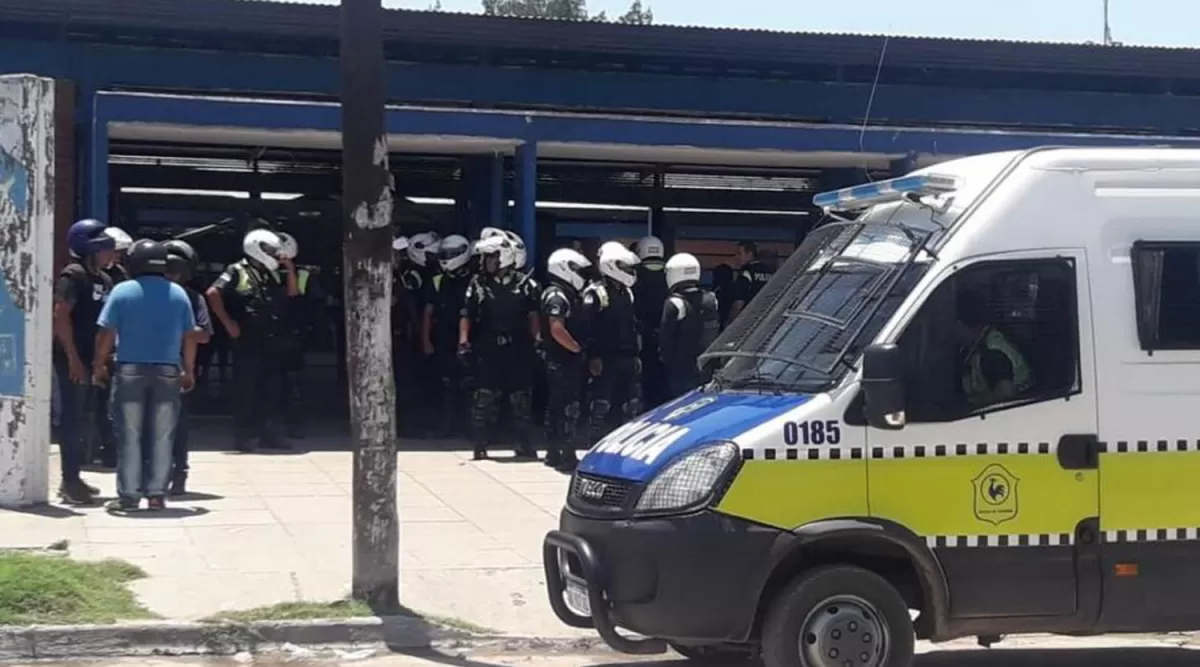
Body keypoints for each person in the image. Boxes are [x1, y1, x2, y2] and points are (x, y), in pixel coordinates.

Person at [93, 239, 196, 513]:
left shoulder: (122, 291)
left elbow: (107, 333)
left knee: (130, 434)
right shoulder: (178, 294)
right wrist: (189, 369)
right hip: (168, 371)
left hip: (130, 370)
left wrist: (98, 364)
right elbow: (190, 337)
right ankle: (156, 494)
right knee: (163, 435)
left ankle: (129, 496)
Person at [205, 228, 297, 452]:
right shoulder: (236, 270)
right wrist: (228, 323)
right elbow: (213, 293)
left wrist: (289, 268)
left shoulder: (271, 272)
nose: (275, 254)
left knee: (273, 389)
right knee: (247, 390)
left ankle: (271, 434)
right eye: (270, 250)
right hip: (247, 341)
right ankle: (245, 436)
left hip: (271, 339)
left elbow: (293, 293)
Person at [52, 219, 117, 504]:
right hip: (73, 358)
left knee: (85, 417)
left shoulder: (104, 279)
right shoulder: (73, 275)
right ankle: (69, 480)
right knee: (72, 419)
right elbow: (61, 315)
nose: (110, 255)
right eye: (105, 249)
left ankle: (75, 476)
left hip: (92, 359)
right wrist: (73, 357)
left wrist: (100, 360)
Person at [459, 235, 539, 461]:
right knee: (483, 397)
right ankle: (480, 444)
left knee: (520, 398)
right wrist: (463, 340)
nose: (486, 261)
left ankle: (523, 443)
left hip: (518, 349)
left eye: (491, 257)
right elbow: (467, 314)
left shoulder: (526, 285)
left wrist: (538, 341)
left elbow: (533, 316)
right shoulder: (478, 284)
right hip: (488, 348)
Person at [164, 239, 212, 496]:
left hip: (176, 367)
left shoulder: (193, 298)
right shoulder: (144, 293)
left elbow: (202, 334)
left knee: (177, 424)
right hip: (157, 366)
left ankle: (178, 471)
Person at [581, 242, 642, 443]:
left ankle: (625, 441)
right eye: (625, 267)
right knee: (601, 403)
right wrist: (593, 356)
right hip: (605, 358)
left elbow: (632, 326)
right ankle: (594, 440)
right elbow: (588, 328)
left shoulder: (628, 293)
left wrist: (636, 354)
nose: (629, 272)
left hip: (627, 355)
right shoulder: (595, 293)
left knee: (630, 403)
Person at [540, 248, 591, 472]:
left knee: (557, 407)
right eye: (577, 269)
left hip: (560, 360)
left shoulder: (565, 293)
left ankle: (553, 452)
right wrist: (577, 349)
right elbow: (556, 329)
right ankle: (565, 454)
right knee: (566, 408)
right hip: (561, 360)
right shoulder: (557, 296)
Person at [275, 231, 325, 439]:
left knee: (294, 385)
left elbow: (310, 303)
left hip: (294, 336)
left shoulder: (303, 275)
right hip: (270, 333)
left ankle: (294, 425)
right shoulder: (265, 271)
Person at [421, 234, 472, 437]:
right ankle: (444, 427)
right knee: (445, 385)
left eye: (450, 254)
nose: (446, 258)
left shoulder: (475, 280)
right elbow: (428, 312)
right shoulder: (437, 281)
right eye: (444, 254)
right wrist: (425, 339)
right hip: (443, 338)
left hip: (469, 341)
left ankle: (468, 429)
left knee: (469, 385)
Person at [660, 253, 720, 399]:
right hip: (707, 366)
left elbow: (665, 338)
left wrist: (667, 361)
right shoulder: (711, 299)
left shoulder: (674, 303)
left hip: (682, 368)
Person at [956, 296, 1033, 408]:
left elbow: (1006, 394)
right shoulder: (972, 346)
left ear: (970, 326)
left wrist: (973, 405)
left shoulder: (992, 353)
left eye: (955, 326)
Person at [406, 231, 441, 437]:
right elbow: (412, 307)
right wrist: (422, 335)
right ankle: (415, 426)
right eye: (430, 255)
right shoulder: (413, 274)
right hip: (415, 336)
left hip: (425, 333)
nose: (434, 259)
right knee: (416, 382)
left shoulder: (427, 274)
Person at [633, 235, 669, 408]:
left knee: (646, 372)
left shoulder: (635, 274)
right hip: (668, 331)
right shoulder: (669, 271)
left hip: (643, 333)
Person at [728, 241, 775, 322]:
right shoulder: (770, 272)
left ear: (749, 254)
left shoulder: (746, 272)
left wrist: (731, 322)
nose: (737, 257)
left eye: (739, 253)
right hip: (768, 318)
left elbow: (739, 302)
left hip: (748, 320)